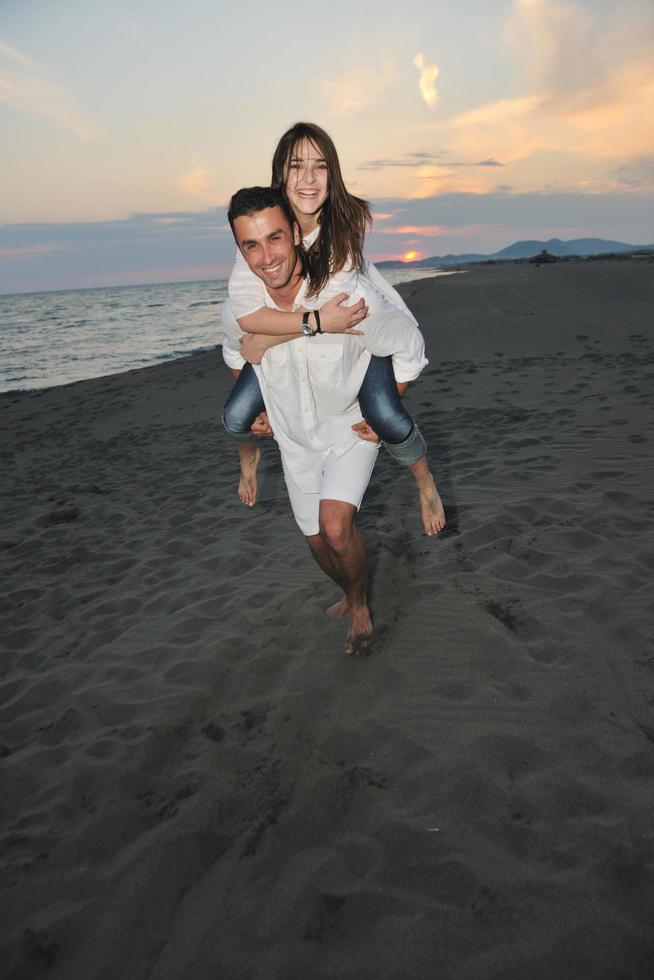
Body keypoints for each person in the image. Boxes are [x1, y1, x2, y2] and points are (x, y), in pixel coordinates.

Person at [221, 186, 434, 655]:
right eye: (250, 246)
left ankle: (361, 608)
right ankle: (350, 591)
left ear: (297, 233)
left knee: (337, 527)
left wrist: (386, 408)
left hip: (348, 430)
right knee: (317, 543)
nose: (266, 257)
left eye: (275, 238)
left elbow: (410, 347)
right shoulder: (241, 307)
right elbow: (233, 352)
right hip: (295, 442)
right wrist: (257, 409)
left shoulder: (345, 296)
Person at [223, 121, 444, 536]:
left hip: (363, 333)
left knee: (384, 414)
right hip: (314, 337)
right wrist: (259, 337)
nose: (308, 178)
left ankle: (424, 480)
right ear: (279, 175)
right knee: (236, 414)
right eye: (296, 166)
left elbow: (335, 318)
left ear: (333, 174)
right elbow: (241, 319)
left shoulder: (341, 233)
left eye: (320, 166)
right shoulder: (262, 228)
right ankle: (248, 459)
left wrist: (268, 336)